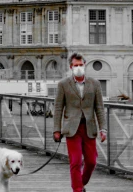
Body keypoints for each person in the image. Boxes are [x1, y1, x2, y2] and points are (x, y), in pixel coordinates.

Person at [54, 52, 106, 192]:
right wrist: (57, 130)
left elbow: (99, 107)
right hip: (72, 129)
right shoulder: (63, 84)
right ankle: (77, 189)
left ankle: (80, 183)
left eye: (81, 65)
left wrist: (103, 128)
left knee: (91, 161)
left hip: (89, 127)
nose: (78, 67)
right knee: (76, 161)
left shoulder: (94, 84)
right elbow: (58, 108)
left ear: (85, 65)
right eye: (75, 65)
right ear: (71, 67)